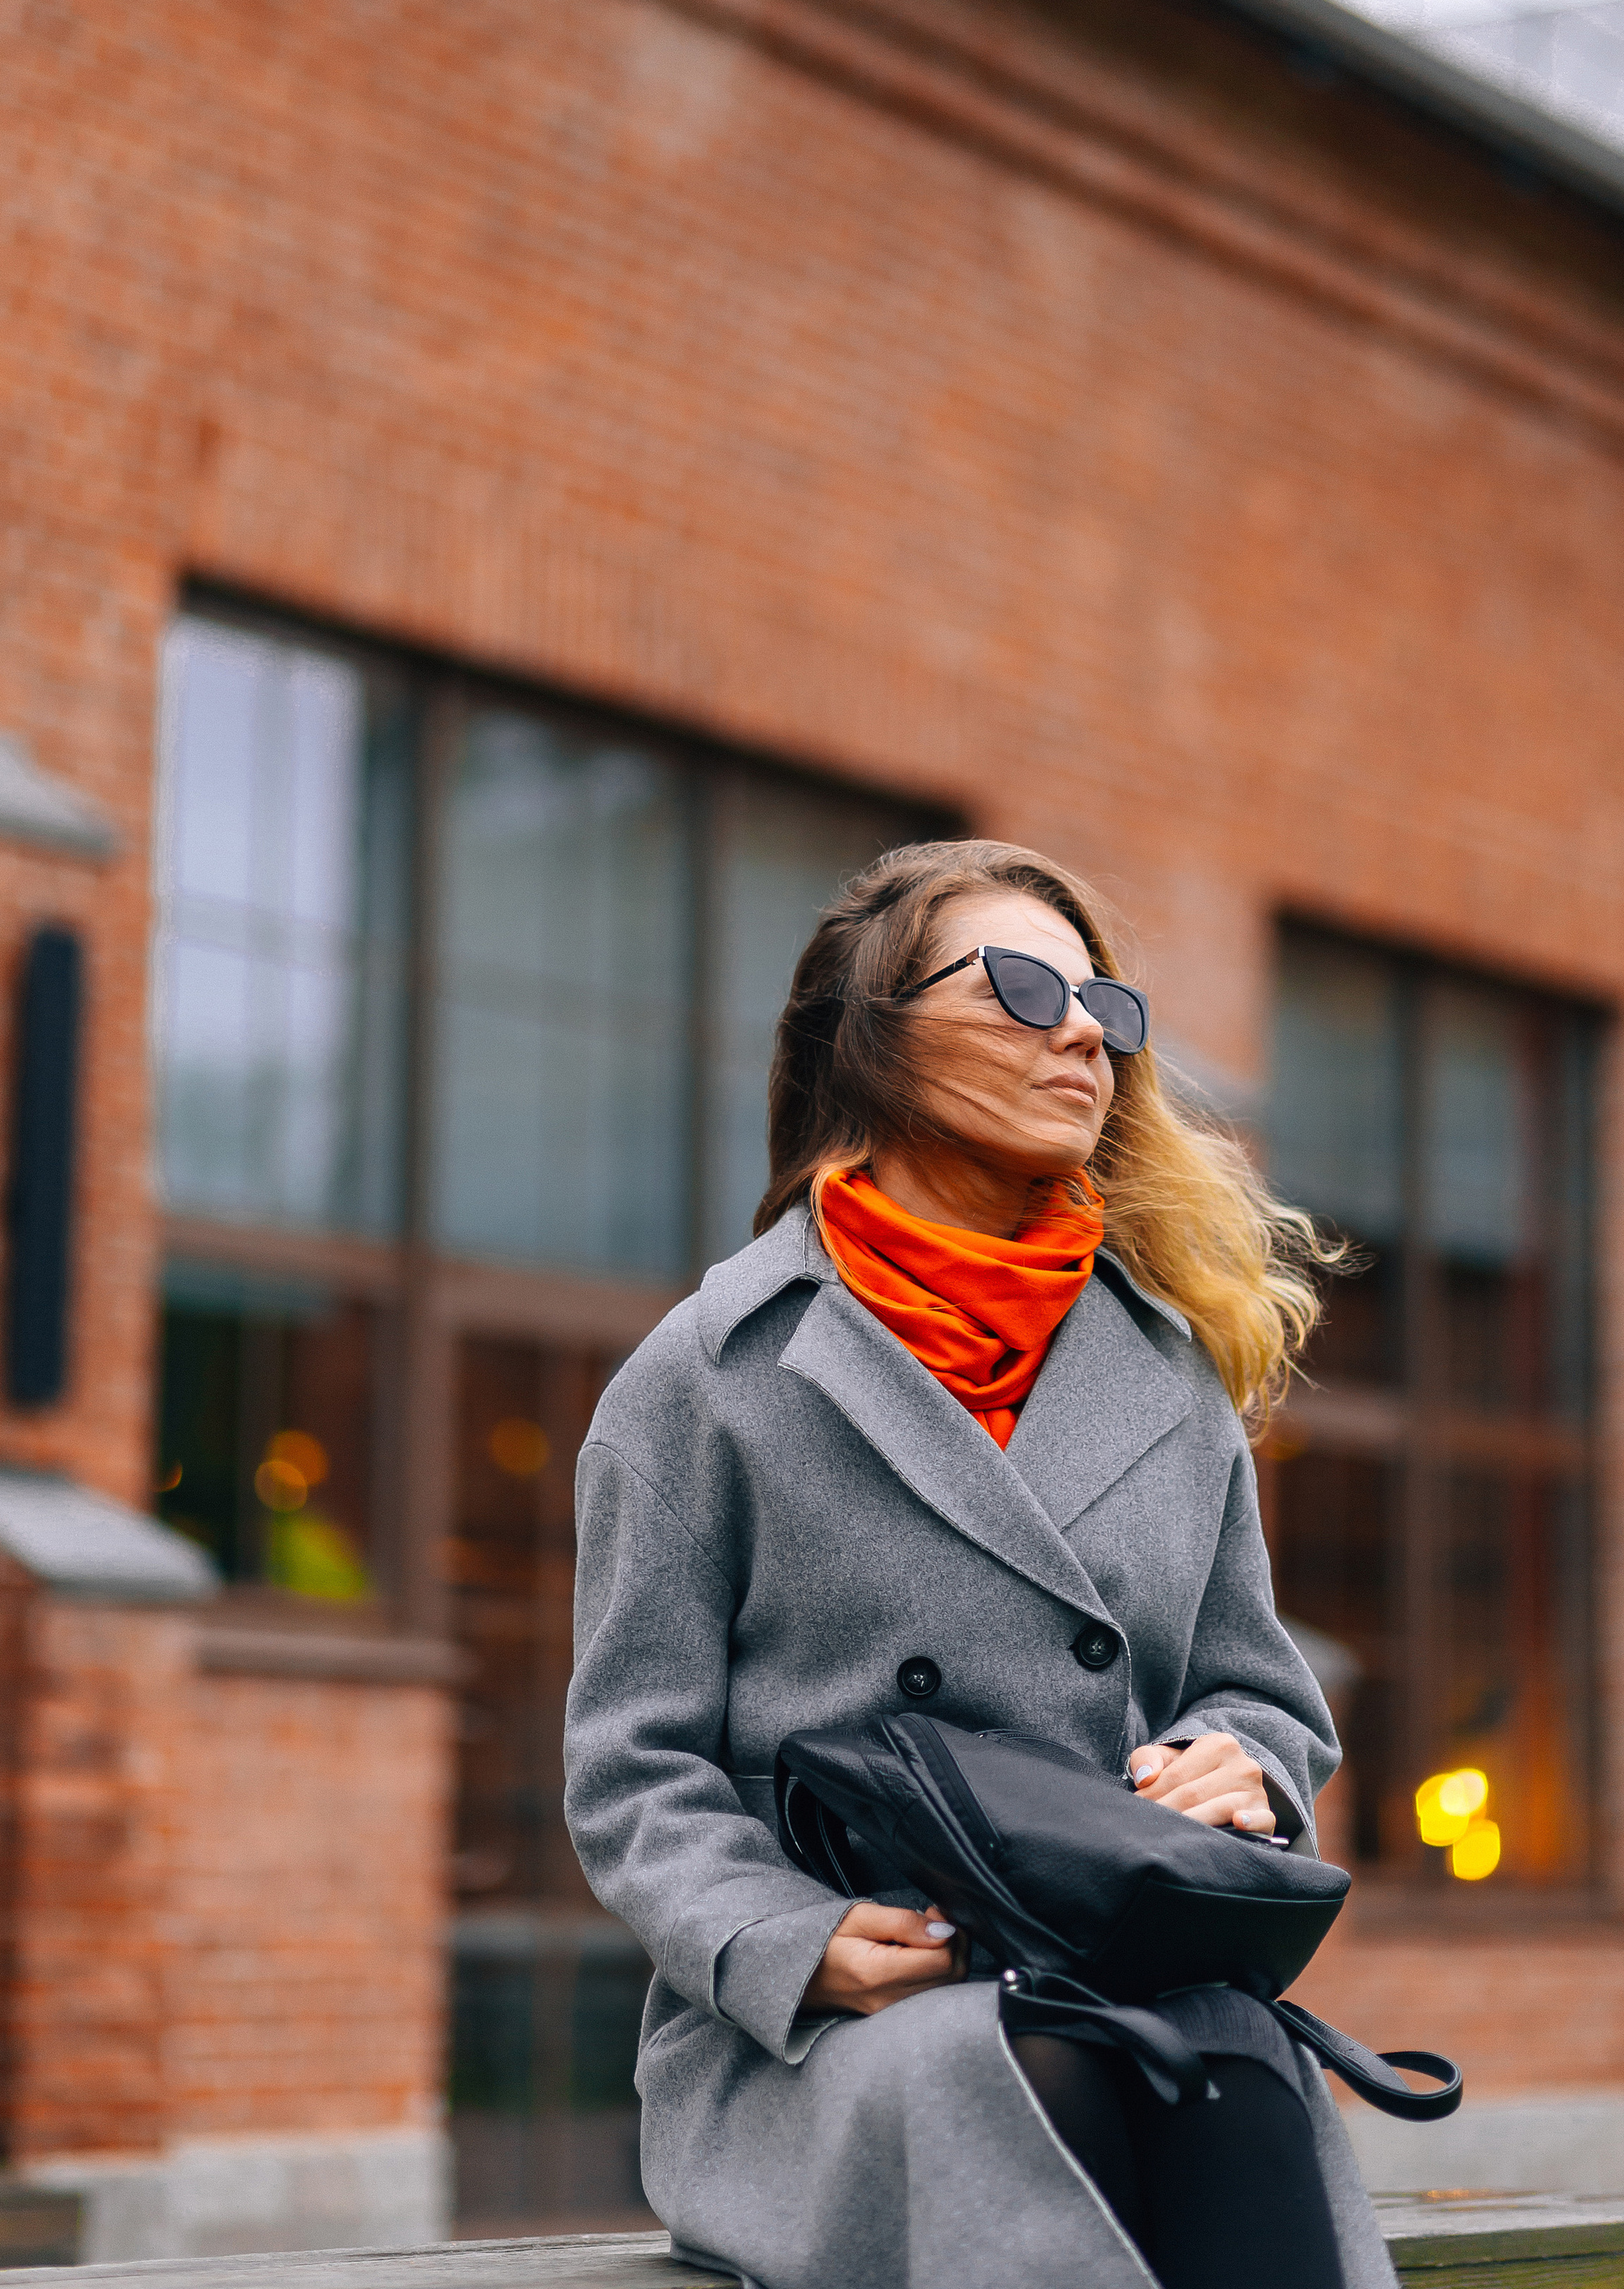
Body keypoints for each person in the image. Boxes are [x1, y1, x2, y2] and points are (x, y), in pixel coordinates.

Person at [565, 840, 1393, 2289]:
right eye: (1020, 987)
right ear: (869, 1038)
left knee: (1241, 2076)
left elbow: (1255, 1690)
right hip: (840, 2027)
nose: (1081, 1030)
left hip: (1120, 1958)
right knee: (1016, 2079)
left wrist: (1237, 1765)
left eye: (1101, 1007)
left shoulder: (1166, 1371)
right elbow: (634, 1765)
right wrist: (787, 1939)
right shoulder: (710, 1374)